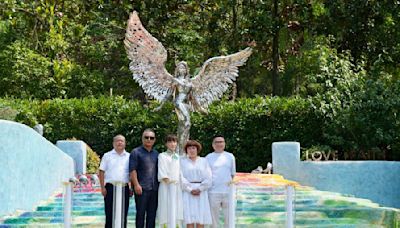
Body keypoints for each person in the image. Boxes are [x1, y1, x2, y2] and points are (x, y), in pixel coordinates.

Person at [99, 134, 130, 228]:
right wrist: (102, 187)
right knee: (109, 214)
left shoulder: (129, 156)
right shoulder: (107, 155)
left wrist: (131, 187)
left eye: (122, 141)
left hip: (124, 188)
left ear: (125, 143)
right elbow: (101, 171)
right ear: (113, 143)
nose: (119, 142)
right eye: (117, 140)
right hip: (110, 187)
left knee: (123, 214)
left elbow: (132, 173)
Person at [129, 129, 159, 228]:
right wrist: (136, 184)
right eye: (146, 137)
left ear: (154, 140)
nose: (149, 139)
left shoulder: (156, 154)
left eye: (151, 138)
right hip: (141, 189)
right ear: (142, 138)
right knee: (140, 214)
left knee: (152, 215)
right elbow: (132, 170)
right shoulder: (136, 152)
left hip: (154, 189)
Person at [206, 135, 236, 228]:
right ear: (213, 145)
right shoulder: (208, 157)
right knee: (213, 218)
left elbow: (233, 174)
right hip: (213, 192)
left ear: (224, 144)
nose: (219, 144)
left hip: (228, 191)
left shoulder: (230, 156)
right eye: (217, 142)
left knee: (229, 217)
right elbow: (206, 175)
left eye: (221, 142)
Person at [180, 140, 212, 228]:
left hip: (201, 191)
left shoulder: (204, 161)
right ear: (186, 150)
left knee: (200, 216)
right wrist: (190, 190)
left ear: (197, 150)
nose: (191, 150)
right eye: (189, 148)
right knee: (188, 217)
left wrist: (200, 189)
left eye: (193, 148)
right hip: (188, 191)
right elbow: (180, 177)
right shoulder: (182, 161)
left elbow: (208, 177)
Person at [158, 134, 184, 227]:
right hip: (166, 187)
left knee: (177, 208)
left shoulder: (177, 156)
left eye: (174, 141)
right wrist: (169, 182)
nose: (172, 144)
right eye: (170, 141)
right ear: (166, 144)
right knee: (165, 208)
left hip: (177, 187)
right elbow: (162, 172)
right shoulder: (162, 156)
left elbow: (180, 173)